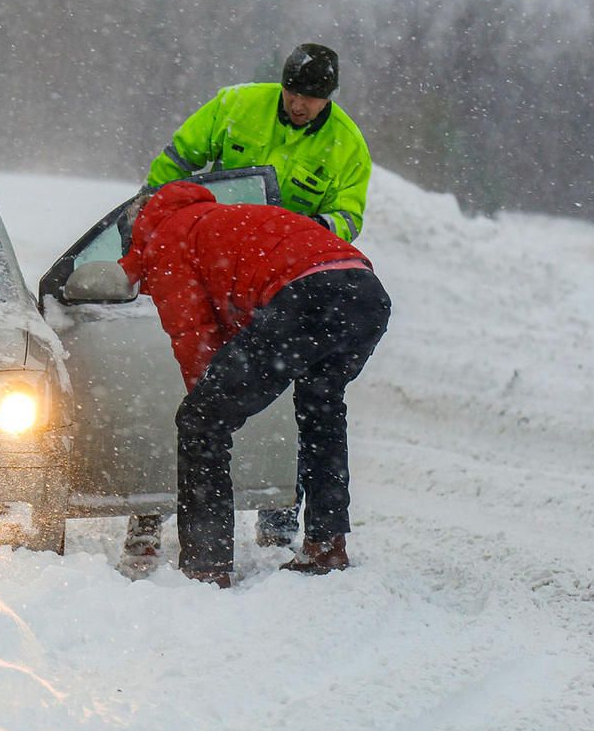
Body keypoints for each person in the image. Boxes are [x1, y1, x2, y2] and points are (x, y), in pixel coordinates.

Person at [140, 43, 374, 550]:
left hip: (286, 288)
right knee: (311, 405)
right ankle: (324, 541)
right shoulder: (235, 108)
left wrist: (310, 226)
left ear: (328, 98)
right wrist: (156, 211)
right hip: (244, 274)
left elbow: (349, 218)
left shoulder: (346, 146)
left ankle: (266, 524)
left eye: (311, 99)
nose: (298, 104)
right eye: (292, 92)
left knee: (222, 412)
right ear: (282, 84)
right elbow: (174, 164)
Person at [116, 180, 391, 588]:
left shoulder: (166, 239)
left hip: (307, 297)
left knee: (199, 422)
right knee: (322, 408)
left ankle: (206, 565)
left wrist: (210, 403)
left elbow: (192, 335)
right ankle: (326, 544)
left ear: (136, 228)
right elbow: (247, 302)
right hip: (365, 294)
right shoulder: (215, 218)